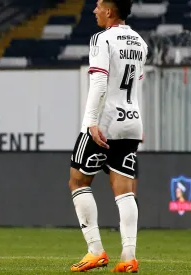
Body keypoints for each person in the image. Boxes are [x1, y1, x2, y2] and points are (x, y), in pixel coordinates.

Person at [68, 0, 146, 272]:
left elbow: (100, 82)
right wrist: (138, 122)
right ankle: (128, 257)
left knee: (78, 181)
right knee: (124, 192)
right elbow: (136, 85)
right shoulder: (139, 41)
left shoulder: (102, 39)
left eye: (99, 5)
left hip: (105, 122)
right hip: (132, 122)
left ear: (110, 11)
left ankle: (95, 251)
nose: (94, 10)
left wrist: (91, 122)